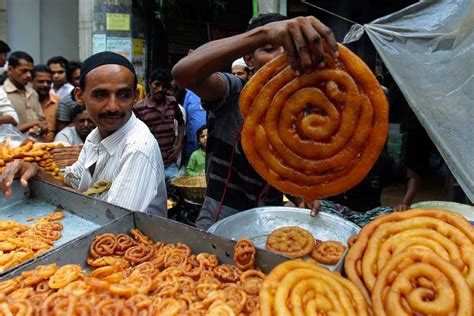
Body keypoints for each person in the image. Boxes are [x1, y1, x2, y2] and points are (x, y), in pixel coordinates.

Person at [172, 13, 338, 230]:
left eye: (289, 49)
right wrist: (264, 33)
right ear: (250, 60)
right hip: (219, 226)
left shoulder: (297, 112)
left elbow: (280, 170)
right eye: (269, 49)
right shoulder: (233, 93)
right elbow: (184, 73)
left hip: (268, 226)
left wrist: (301, 196)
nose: (281, 56)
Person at [0, 51, 167, 216]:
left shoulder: (138, 148)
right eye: (101, 95)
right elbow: (73, 186)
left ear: (135, 96)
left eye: (123, 95)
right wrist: (37, 171)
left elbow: (114, 221)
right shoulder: (95, 136)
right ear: (80, 96)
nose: (113, 107)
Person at [319, 152, 421, 226]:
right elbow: (309, 182)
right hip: (334, 212)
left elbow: (412, 177)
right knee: (314, 207)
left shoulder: (381, 160)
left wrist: (405, 203)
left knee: (397, 218)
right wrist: (310, 199)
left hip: (369, 216)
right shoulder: (330, 157)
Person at [133, 67, 185, 181]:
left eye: (164, 86)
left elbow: (181, 123)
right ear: (150, 83)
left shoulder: (172, 102)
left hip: (170, 165)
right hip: (149, 166)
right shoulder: (139, 108)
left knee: (174, 196)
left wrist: (179, 144)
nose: (160, 89)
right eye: (157, 84)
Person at [0, 51, 47, 136]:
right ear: (10, 70)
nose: (28, 75)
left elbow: (42, 121)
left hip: (36, 144)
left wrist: (38, 128)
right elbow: (4, 131)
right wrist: (33, 123)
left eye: (30, 71)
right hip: (12, 146)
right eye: (24, 71)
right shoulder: (2, 93)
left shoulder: (32, 93)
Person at [31, 65, 60, 141]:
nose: (45, 85)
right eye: (41, 82)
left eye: (48, 82)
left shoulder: (58, 102)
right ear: (31, 81)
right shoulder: (25, 101)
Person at [56, 61, 82, 132]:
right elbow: (62, 130)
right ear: (70, 81)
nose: (82, 80)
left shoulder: (96, 97)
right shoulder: (66, 102)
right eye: (78, 78)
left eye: (84, 76)